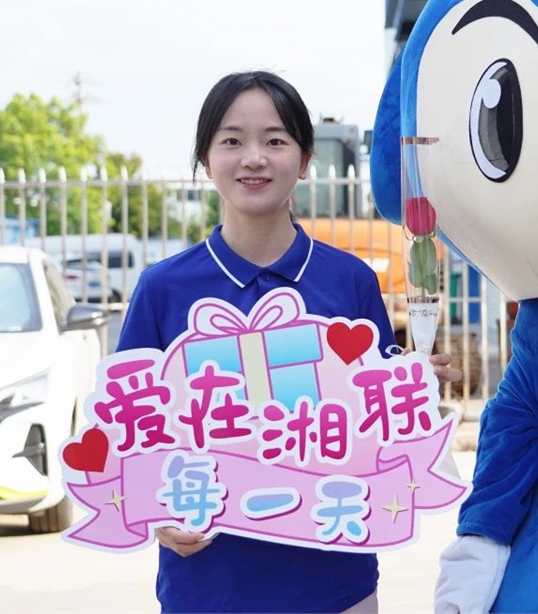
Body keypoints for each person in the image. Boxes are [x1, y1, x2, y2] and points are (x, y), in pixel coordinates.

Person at [117, 70, 460, 613]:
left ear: (303, 161)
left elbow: (381, 429)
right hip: (207, 588)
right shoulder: (162, 290)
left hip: (336, 585)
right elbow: (128, 435)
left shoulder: (350, 282)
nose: (254, 158)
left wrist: (413, 392)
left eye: (275, 141)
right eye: (232, 141)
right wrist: (157, 513)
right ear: (206, 159)